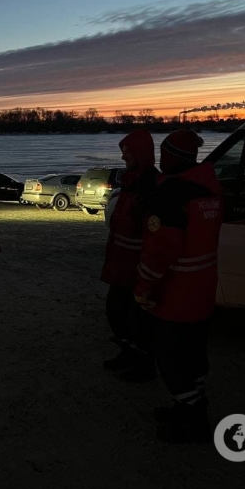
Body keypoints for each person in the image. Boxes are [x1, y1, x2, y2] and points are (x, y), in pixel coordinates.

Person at [132, 129, 223, 443]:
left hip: (175, 296)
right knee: (194, 356)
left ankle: (191, 420)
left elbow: (159, 252)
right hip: (202, 292)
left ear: (172, 156)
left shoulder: (172, 195)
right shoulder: (208, 188)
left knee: (172, 359)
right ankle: (188, 407)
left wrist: (143, 287)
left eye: (165, 152)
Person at [100, 129, 160, 382]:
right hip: (121, 262)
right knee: (116, 311)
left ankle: (144, 364)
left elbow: (154, 233)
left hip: (137, 266)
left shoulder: (151, 184)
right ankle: (127, 351)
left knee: (139, 319)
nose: (123, 158)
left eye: (127, 153)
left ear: (139, 153)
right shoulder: (131, 179)